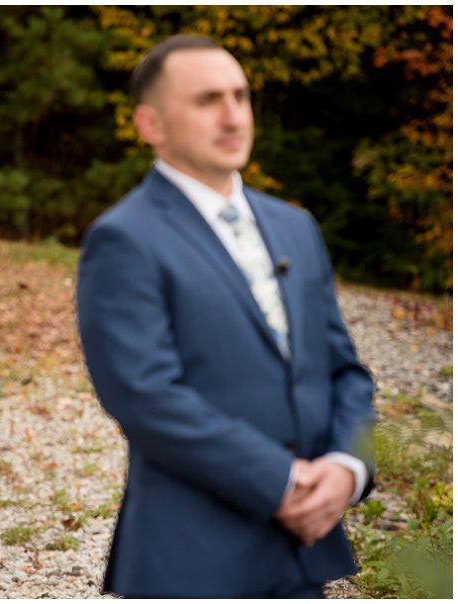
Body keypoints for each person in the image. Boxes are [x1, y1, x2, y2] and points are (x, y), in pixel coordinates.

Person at [76, 35, 376, 598]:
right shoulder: (123, 238)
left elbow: (344, 371)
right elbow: (143, 394)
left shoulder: (296, 228)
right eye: (208, 99)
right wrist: (282, 483)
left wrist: (345, 467)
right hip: (193, 554)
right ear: (151, 125)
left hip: (303, 556)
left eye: (241, 96)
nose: (234, 116)